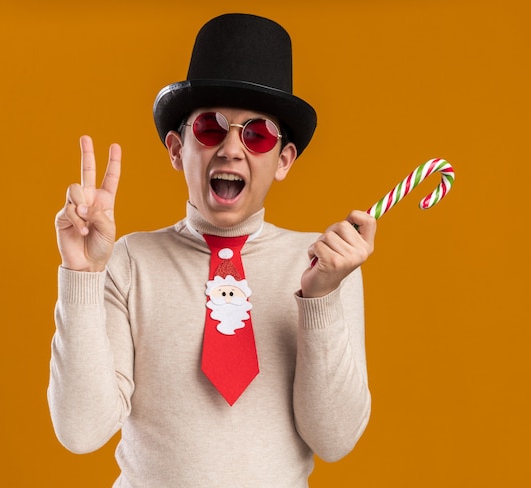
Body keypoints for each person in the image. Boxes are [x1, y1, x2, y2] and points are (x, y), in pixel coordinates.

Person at [48, 13, 376, 488]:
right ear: (177, 149)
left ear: (282, 160)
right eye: (209, 128)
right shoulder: (126, 262)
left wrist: (321, 298)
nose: (230, 149)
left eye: (257, 134)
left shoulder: (326, 264)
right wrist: (81, 274)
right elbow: (81, 431)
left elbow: (334, 439)